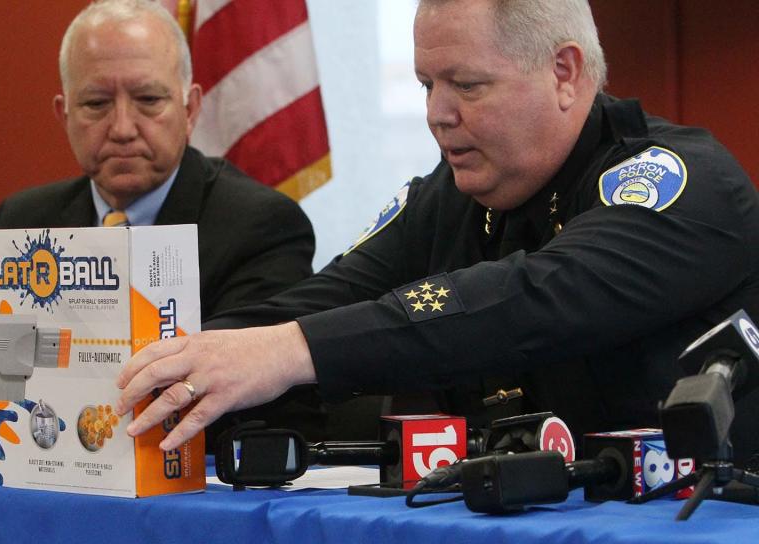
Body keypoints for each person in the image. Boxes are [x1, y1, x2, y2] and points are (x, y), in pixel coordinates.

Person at [115, 0, 759, 464]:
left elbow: (533, 299)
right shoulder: (451, 193)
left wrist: (289, 352)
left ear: (565, 73)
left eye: (467, 86)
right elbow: (329, 297)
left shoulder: (681, 183)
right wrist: (159, 362)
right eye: (426, 84)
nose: (436, 115)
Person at [0, 0, 334, 460]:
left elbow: (263, 410)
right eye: (96, 103)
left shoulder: (261, 225)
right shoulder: (21, 220)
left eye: (148, 100)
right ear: (64, 114)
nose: (122, 127)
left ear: (191, 109)